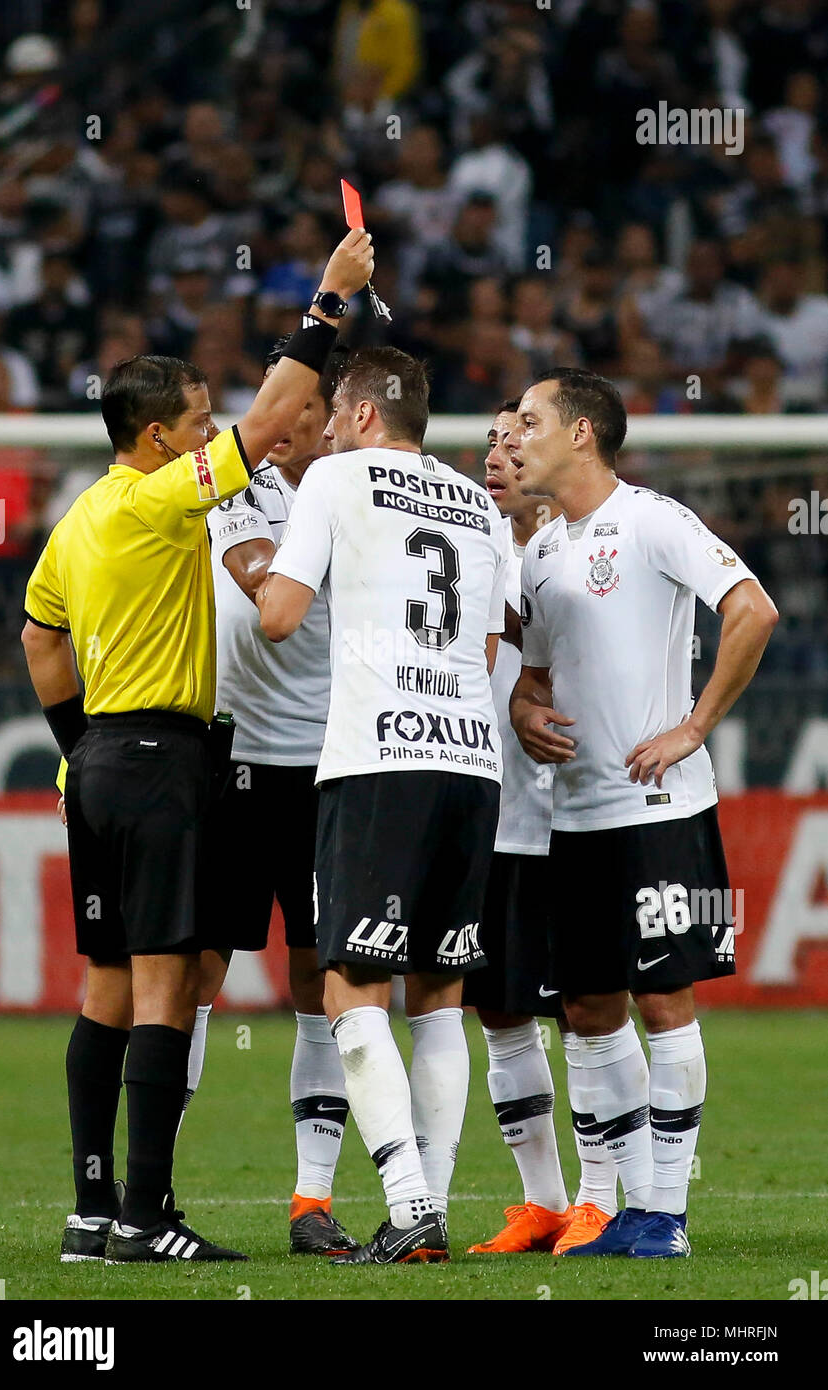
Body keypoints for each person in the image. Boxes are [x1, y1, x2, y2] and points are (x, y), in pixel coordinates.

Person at [20, 228, 374, 1265]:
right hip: (170, 761)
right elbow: (270, 423)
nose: (216, 434)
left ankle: (92, 1213)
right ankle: (147, 1216)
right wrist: (326, 303)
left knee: (105, 991)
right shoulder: (159, 499)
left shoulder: (81, 516)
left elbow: (40, 636)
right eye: (199, 423)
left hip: (95, 768)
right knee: (169, 990)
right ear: (163, 440)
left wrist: (76, 745)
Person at [509, 368, 778, 1258]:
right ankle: (625, 1209)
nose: (515, 432)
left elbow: (752, 609)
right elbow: (537, 672)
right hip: (573, 814)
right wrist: (522, 707)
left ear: (582, 432)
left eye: (531, 418)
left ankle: (665, 1214)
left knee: (663, 997)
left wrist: (691, 726)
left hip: (657, 809)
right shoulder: (542, 550)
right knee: (587, 1010)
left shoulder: (653, 519)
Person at [258, 347, 508, 1265]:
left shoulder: (332, 478)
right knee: (439, 997)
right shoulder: (479, 503)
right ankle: (429, 1207)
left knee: (348, 986)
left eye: (333, 413)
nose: (320, 428)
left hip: (377, 760)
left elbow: (280, 615)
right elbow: (483, 652)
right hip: (471, 761)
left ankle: (407, 1205)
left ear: (363, 416)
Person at [189, 337, 359, 1257]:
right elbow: (262, 591)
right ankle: (152, 1197)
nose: (286, 416)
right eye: (275, 398)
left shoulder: (361, 492)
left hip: (328, 767)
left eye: (301, 402)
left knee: (321, 980)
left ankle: (312, 1201)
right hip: (233, 762)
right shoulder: (234, 487)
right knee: (193, 974)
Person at [464, 402, 617, 1258]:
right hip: (492, 822)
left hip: (571, 819)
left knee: (591, 1010)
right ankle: (543, 1203)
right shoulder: (462, 549)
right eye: (489, 439)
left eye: (516, 433)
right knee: (502, 1014)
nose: (500, 450)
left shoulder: (578, 556)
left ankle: (606, 1197)